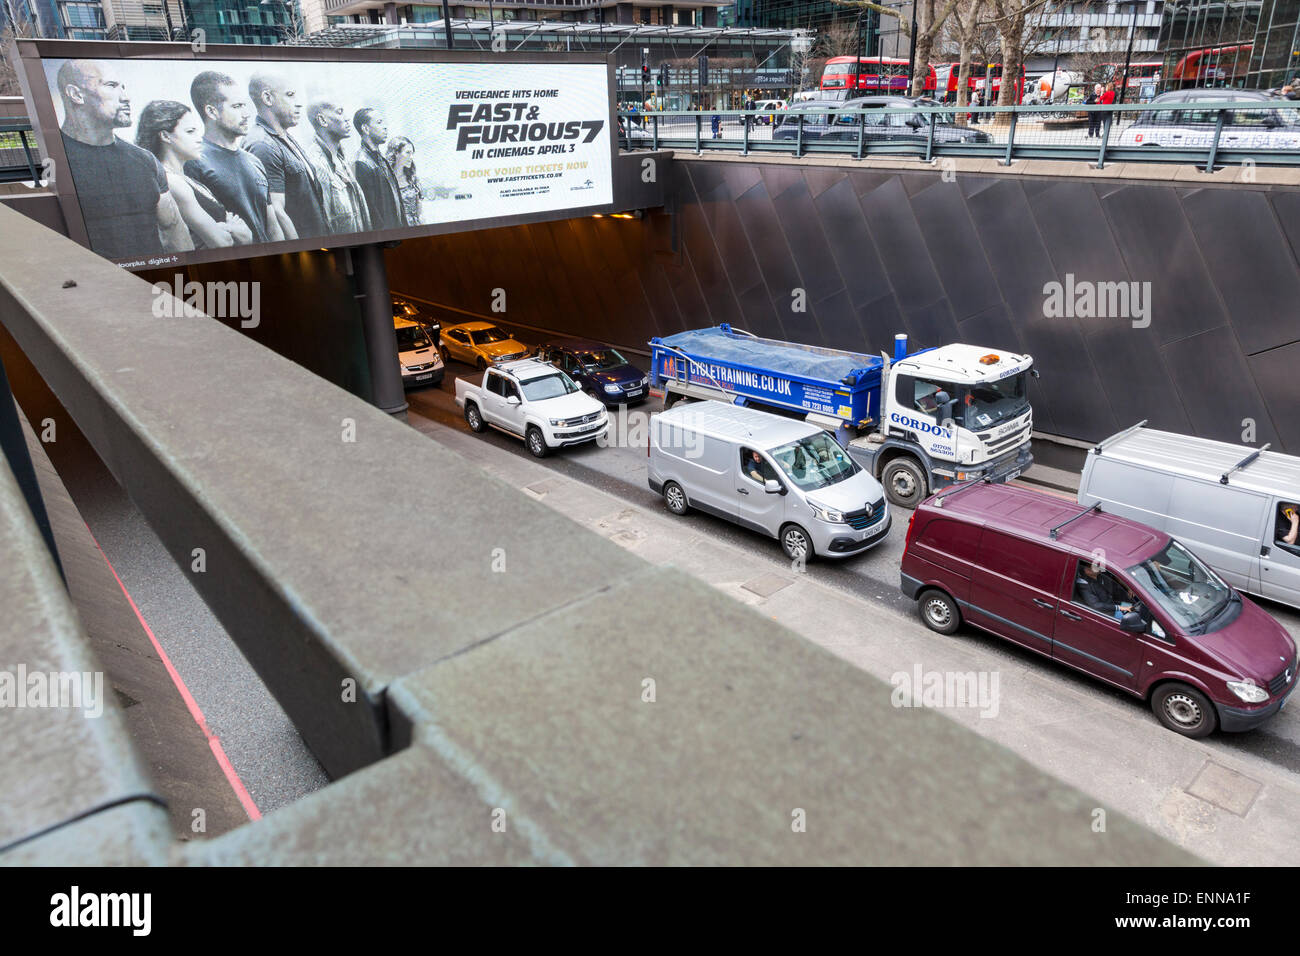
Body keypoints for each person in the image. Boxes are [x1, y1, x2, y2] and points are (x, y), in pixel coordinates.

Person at [53, 59, 191, 258]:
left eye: (123, 87)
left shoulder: (145, 160)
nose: (126, 97)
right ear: (76, 94)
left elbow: (174, 231)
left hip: (155, 283)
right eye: (111, 86)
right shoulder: (54, 161)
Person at [135, 100, 252, 250]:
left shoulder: (188, 180)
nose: (199, 138)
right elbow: (222, 242)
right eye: (190, 131)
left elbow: (247, 235)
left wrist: (227, 230)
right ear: (165, 136)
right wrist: (232, 228)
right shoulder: (172, 182)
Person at [184, 71, 283, 246]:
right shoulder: (194, 163)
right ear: (211, 111)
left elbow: (272, 227)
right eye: (237, 106)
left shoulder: (254, 161)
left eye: (244, 105)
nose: (246, 114)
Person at [243, 71, 327, 241]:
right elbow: (276, 212)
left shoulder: (284, 136)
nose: (298, 104)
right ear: (267, 98)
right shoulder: (262, 145)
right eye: (290, 95)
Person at [303, 99, 370, 236]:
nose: (347, 118)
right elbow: (325, 222)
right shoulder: (315, 163)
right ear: (322, 120)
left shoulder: (342, 157)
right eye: (339, 112)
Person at [353, 108, 406, 232]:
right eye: (379, 122)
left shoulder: (380, 157)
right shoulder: (361, 162)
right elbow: (372, 213)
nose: (385, 127)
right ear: (365, 128)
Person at [385, 136, 424, 228]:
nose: (411, 157)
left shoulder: (413, 179)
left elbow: (420, 214)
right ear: (396, 153)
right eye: (408, 153)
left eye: (412, 153)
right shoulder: (385, 180)